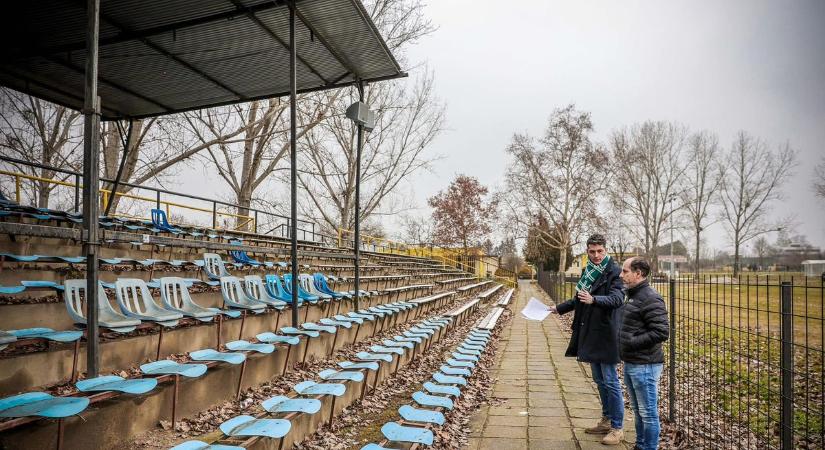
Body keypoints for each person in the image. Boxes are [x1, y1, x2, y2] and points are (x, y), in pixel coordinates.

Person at [549, 233, 625, 445]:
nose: (596, 255)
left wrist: (595, 299)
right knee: (600, 381)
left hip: (607, 334)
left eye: (600, 251)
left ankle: (618, 428)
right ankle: (606, 420)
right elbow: (578, 299)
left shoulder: (615, 272)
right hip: (590, 333)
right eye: (592, 252)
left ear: (606, 250)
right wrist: (558, 308)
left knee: (610, 382)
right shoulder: (588, 272)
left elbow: (618, 298)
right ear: (587, 251)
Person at [619, 257, 669, 450]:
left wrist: (631, 342)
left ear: (638, 273)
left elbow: (661, 332)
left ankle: (649, 447)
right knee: (639, 412)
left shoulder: (650, 297)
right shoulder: (632, 294)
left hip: (646, 365)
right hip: (632, 362)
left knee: (648, 413)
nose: (621, 275)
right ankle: (640, 445)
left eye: (625, 271)